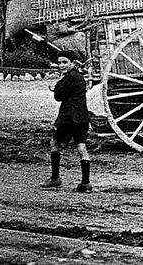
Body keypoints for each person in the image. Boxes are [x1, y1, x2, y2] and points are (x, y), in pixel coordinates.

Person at [43, 49, 92, 192]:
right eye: (59, 63)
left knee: (54, 143)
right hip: (82, 117)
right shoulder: (80, 77)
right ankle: (85, 183)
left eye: (65, 62)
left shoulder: (69, 78)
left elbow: (58, 96)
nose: (61, 65)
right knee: (81, 146)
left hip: (69, 117)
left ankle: (55, 178)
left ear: (73, 63)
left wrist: (59, 82)